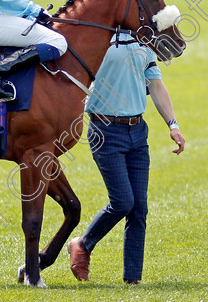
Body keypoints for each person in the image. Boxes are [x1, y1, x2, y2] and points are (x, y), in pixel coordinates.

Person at [67, 32, 186, 285]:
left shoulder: (144, 40)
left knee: (139, 209)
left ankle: (133, 280)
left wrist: (173, 125)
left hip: (137, 131)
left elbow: (155, 84)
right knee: (122, 202)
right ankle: (82, 244)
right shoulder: (99, 37)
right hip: (105, 131)